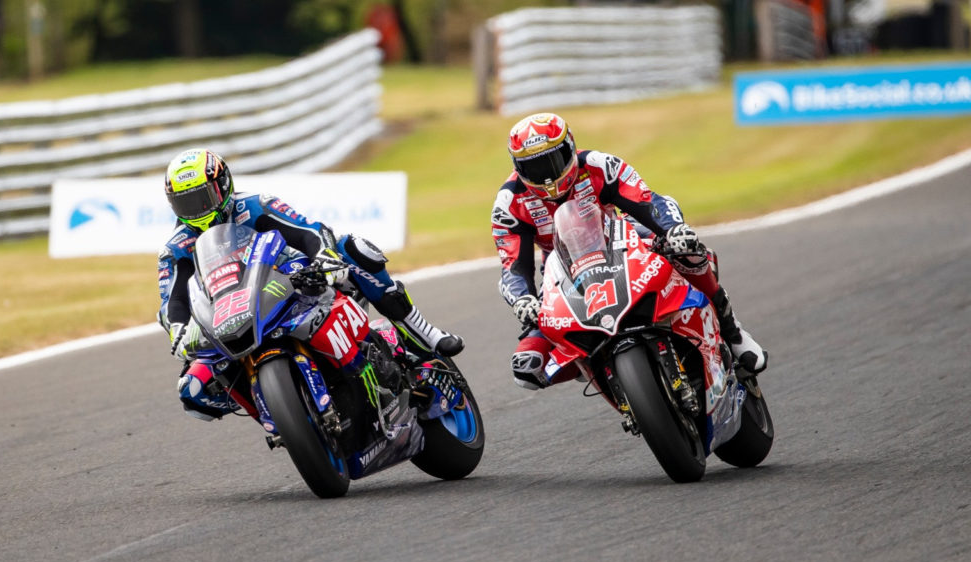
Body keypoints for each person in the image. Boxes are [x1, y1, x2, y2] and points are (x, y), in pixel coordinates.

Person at [157, 148, 463, 424]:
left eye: (202, 199)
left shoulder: (255, 206)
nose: (196, 211)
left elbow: (309, 233)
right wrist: (179, 330)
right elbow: (173, 302)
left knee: (354, 248)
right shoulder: (176, 249)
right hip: (230, 318)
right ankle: (280, 414)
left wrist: (323, 258)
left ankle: (423, 332)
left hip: (292, 283)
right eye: (185, 203)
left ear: (223, 187)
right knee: (192, 389)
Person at [491, 113, 767, 391]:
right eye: (534, 167)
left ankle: (733, 333)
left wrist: (673, 230)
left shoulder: (600, 165)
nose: (547, 175)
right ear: (517, 167)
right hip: (561, 266)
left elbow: (649, 202)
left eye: (552, 160)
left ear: (571, 147)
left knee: (687, 251)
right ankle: (594, 364)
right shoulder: (509, 203)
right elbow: (513, 267)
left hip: (622, 237)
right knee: (527, 366)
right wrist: (522, 299)